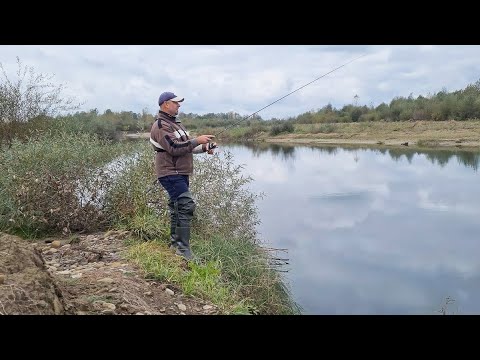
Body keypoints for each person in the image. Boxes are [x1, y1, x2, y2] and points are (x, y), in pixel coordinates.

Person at [150, 91, 216, 260]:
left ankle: (175, 246)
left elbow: (185, 147)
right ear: (166, 104)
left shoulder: (175, 125)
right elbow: (173, 148)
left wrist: (204, 147)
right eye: (176, 102)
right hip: (169, 172)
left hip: (180, 172)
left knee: (177, 207)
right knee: (186, 205)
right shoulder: (160, 125)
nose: (179, 105)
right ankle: (183, 251)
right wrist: (196, 140)